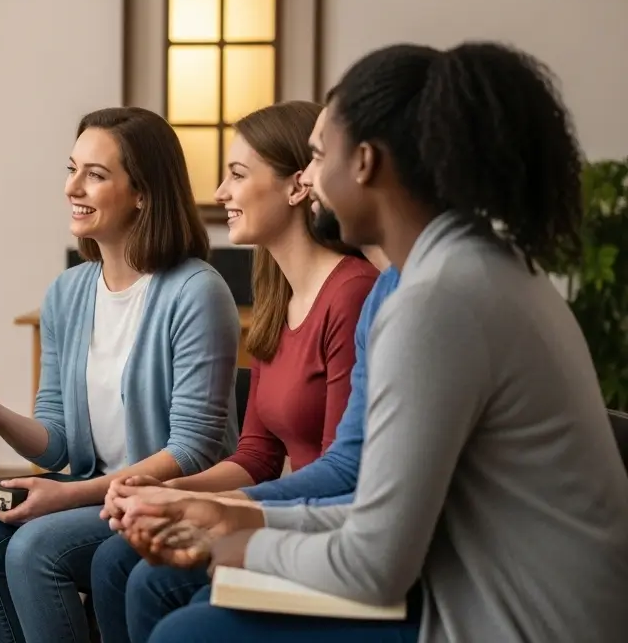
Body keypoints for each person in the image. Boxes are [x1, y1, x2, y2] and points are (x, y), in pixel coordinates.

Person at [127, 41, 628, 642]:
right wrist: (234, 514)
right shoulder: (475, 269)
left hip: (515, 624)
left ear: (363, 161)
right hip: (504, 597)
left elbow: (373, 565)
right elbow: (377, 508)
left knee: (188, 635)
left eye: (317, 155)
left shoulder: (436, 303)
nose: (310, 179)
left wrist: (232, 540)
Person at [0, 107, 240, 643]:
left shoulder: (196, 292)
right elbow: (57, 446)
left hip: (162, 496)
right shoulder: (67, 293)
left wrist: (70, 495)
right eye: (72, 169)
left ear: (143, 193)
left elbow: (194, 450)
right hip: (92, 491)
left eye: (96, 174)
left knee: (36, 549)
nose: (73, 187)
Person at [84, 100, 378, 642]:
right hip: (285, 507)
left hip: (327, 527)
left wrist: (202, 504)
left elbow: (345, 472)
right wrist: (160, 487)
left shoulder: (352, 293)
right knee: (115, 560)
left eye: (237, 175)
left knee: (150, 582)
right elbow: (258, 455)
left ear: (298, 187)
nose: (220, 193)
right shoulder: (275, 294)